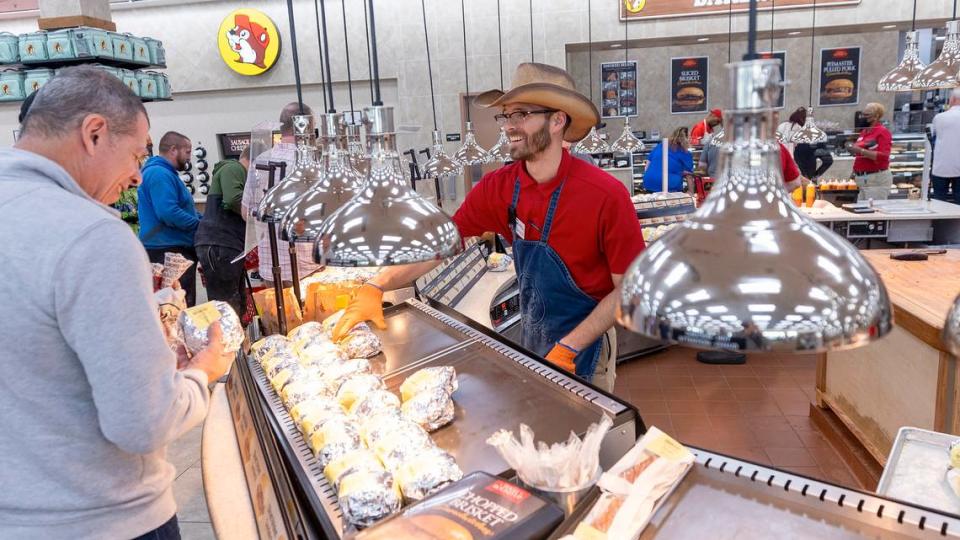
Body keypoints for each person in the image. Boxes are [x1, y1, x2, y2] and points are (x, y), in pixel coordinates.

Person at [0, 66, 232, 539]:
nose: (135, 177)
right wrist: (198, 373)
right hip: (103, 518)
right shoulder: (92, 234)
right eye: (136, 155)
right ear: (94, 132)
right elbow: (144, 423)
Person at [331, 63, 645, 392]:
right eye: (506, 115)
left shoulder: (605, 195)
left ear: (557, 120)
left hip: (586, 346)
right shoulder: (500, 188)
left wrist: (569, 346)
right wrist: (377, 284)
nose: (509, 126)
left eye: (521, 114)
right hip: (533, 335)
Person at [241, 102, 321, 286]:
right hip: (306, 266)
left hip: (270, 264)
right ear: (307, 126)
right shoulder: (312, 163)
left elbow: (246, 213)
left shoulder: (260, 160)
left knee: (276, 314)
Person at [138, 131, 202, 305]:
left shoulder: (166, 173)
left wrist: (204, 219)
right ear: (173, 150)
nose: (189, 157)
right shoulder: (159, 174)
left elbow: (180, 208)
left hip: (172, 247)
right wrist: (199, 226)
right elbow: (168, 212)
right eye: (187, 152)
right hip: (167, 250)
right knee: (175, 306)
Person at [195, 146, 251, 317]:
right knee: (226, 304)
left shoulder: (236, 171)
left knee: (236, 299)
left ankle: (239, 338)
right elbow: (234, 199)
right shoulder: (233, 168)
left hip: (228, 244)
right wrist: (261, 213)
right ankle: (227, 341)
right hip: (219, 244)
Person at [846, 102, 893, 201]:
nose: (863, 117)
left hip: (875, 180)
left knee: (873, 211)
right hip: (861, 178)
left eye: (866, 115)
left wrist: (860, 150)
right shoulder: (864, 132)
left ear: (876, 116)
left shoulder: (882, 132)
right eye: (863, 114)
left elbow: (884, 156)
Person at [643, 127, 694, 193]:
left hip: (649, 182)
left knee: (654, 203)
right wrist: (691, 192)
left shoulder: (661, 145)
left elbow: (647, 165)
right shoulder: (685, 153)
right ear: (687, 139)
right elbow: (689, 176)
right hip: (669, 186)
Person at [931, 89, 960, 203]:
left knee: (939, 202)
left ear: (952, 99)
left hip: (941, 166)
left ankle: (939, 221)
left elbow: (933, 136)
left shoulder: (939, 118)